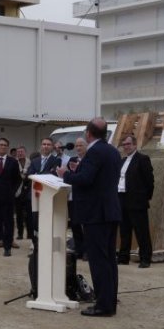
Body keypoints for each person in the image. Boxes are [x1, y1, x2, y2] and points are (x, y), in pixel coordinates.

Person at [62, 118, 122, 317]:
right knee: (109, 260)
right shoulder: (112, 150)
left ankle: (104, 306)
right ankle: (109, 300)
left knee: (99, 261)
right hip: (109, 211)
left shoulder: (95, 151)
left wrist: (66, 175)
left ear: (88, 133)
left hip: (96, 213)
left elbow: (86, 179)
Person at [116, 135, 155, 268]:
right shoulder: (122, 161)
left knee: (141, 231)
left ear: (134, 145)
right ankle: (123, 257)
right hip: (122, 198)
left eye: (128, 144)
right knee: (124, 231)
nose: (126, 146)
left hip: (137, 201)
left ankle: (145, 258)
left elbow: (149, 182)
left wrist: (144, 197)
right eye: (124, 144)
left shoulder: (142, 159)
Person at [13, 146, 33, 245]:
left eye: (22, 151)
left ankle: (30, 233)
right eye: (18, 152)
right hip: (17, 192)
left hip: (28, 191)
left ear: (25, 152)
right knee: (19, 214)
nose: (20, 153)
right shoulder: (14, 162)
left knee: (29, 214)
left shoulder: (30, 162)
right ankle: (20, 233)